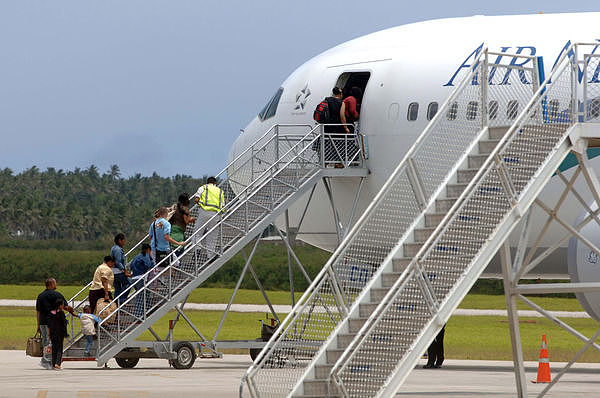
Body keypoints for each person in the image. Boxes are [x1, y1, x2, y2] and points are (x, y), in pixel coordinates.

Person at [35, 278, 73, 370]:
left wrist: (38, 325)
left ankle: (47, 359)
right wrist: (71, 310)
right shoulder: (57, 295)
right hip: (55, 322)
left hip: (43, 322)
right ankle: (48, 361)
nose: (56, 285)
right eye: (55, 283)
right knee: (54, 342)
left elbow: (38, 312)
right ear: (51, 284)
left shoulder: (40, 296)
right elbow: (65, 307)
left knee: (46, 341)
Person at [192, 177, 225, 260]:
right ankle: (210, 256)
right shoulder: (220, 191)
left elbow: (196, 199)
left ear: (207, 182)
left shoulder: (203, 187)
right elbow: (223, 205)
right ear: (215, 183)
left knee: (197, 232)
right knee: (212, 235)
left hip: (204, 212)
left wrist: (201, 205)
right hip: (216, 215)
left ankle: (197, 249)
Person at [129, 243, 155, 317]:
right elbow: (148, 265)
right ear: (148, 250)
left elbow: (131, 266)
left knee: (146, 294)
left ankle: (146, 310)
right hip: (141, 278)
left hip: (134, 278)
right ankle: (138, 315)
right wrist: (152, 261)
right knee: (140, 297)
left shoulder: (137, 256)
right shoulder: (145, 255)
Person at [111, 233, 131, 304]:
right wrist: (124, 270)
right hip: (118, 272)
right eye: (123, 240)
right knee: (128, 283)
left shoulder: (114, 248)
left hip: (113, 272)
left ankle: (116, 303)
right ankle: (121, 300)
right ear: (120, 240)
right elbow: (118, 262)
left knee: (118, 288)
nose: (124, 242)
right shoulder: (118, 250)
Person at [48, 298, 68, 370]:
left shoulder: (51, 313)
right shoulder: (61, 313)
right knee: (60, 348)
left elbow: (49, 325)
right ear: (59, 305)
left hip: (53, 333)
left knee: (54, 348)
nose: (63, 306)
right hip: (60, 333)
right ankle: (58, 363)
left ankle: (53, 363)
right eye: (62, 304)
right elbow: (64, 324)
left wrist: (49, 334)